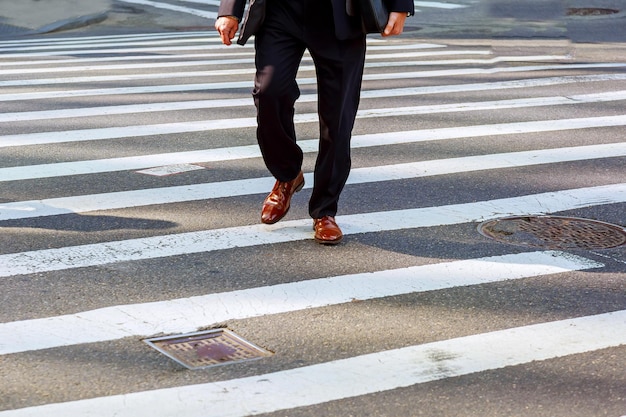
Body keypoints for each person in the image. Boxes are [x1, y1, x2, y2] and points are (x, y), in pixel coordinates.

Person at [215, 0, 414, 244]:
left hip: (340, 15)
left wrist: (400, 4)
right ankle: (287, 174)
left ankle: (325, 210)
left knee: (338, 115)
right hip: (281, 12)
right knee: (269, 93)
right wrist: (229, 10)